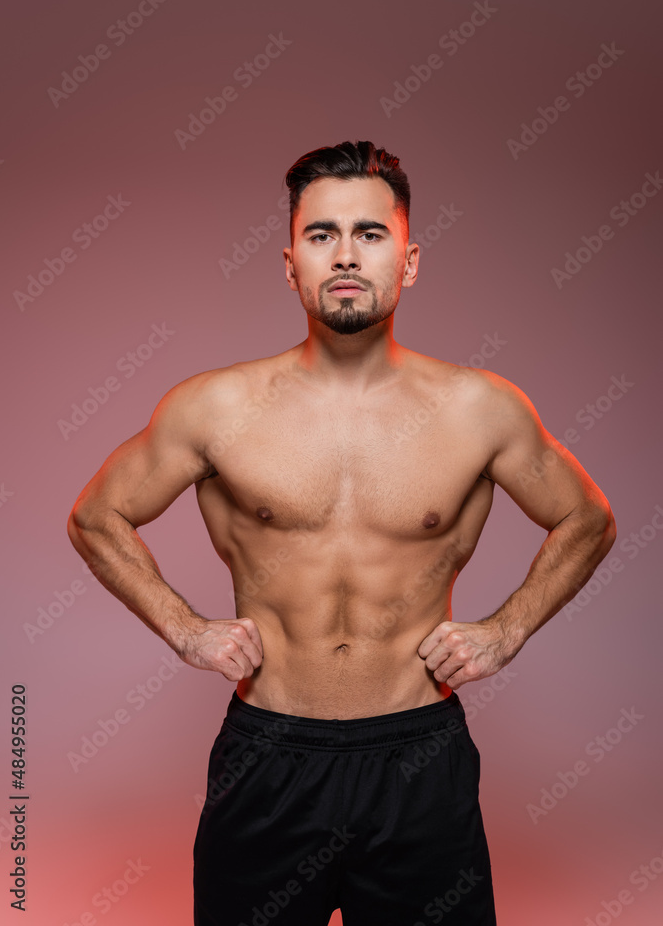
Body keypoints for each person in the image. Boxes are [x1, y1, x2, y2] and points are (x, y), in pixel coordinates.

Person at [67, 140, 616, 925]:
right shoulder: (213, 407)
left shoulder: (479, 408)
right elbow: (96, 516)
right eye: (321, 235)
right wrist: (184, 630)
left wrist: (506, 629)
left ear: (410, 258)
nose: (346, 254)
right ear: (290, 264)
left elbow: (587, 518)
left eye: (370, 232)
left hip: (419, 759)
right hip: (268, 756)